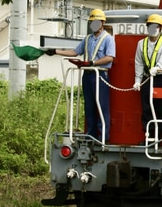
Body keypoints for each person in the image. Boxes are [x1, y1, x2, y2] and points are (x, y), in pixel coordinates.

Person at [47, 9, 116, 142]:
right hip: (87, 75)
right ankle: (90, 135)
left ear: (102, 22)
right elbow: (74, 52)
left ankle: (103, 138)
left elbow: (110, 58)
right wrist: (55, 51)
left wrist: (93, 62)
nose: (93, 24)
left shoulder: (108, 39)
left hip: (100, 74)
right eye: (91, 22)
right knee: (89, 105)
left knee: (101, 106)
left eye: (96, 22)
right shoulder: (88, 39)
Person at [133, 14, 162, 140]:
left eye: (156, 26)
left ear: (160, 28)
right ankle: (147, 136)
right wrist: (138, 81)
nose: (153, 28)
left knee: (160, 107)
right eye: (150, 26)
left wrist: (158, 67)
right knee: (146, 108)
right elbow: (138, 62)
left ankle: (158, 136)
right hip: (146, 79)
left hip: (161, 78)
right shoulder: (141, 44)